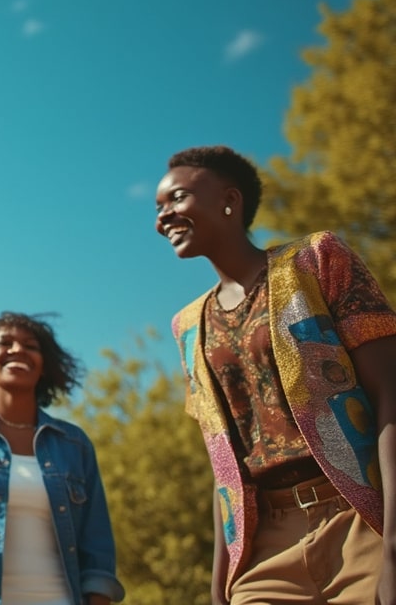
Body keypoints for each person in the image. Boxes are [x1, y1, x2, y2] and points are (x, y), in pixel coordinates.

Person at [154, 145, 396, 605]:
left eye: (177, 199)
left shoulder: (316, 261)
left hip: (359, 521)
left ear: (230, 200)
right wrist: (219, 585)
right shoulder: (187, 326)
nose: (163, 217)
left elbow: (391, 392)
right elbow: (223, 458)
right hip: (264, 550)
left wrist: (394, 542)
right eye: (159, 208)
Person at [0, 312, 124, 605]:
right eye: (5, 343)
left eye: (30, 346)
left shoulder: (74, 445)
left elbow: (97, 549)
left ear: (43, 366)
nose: (17, 350)